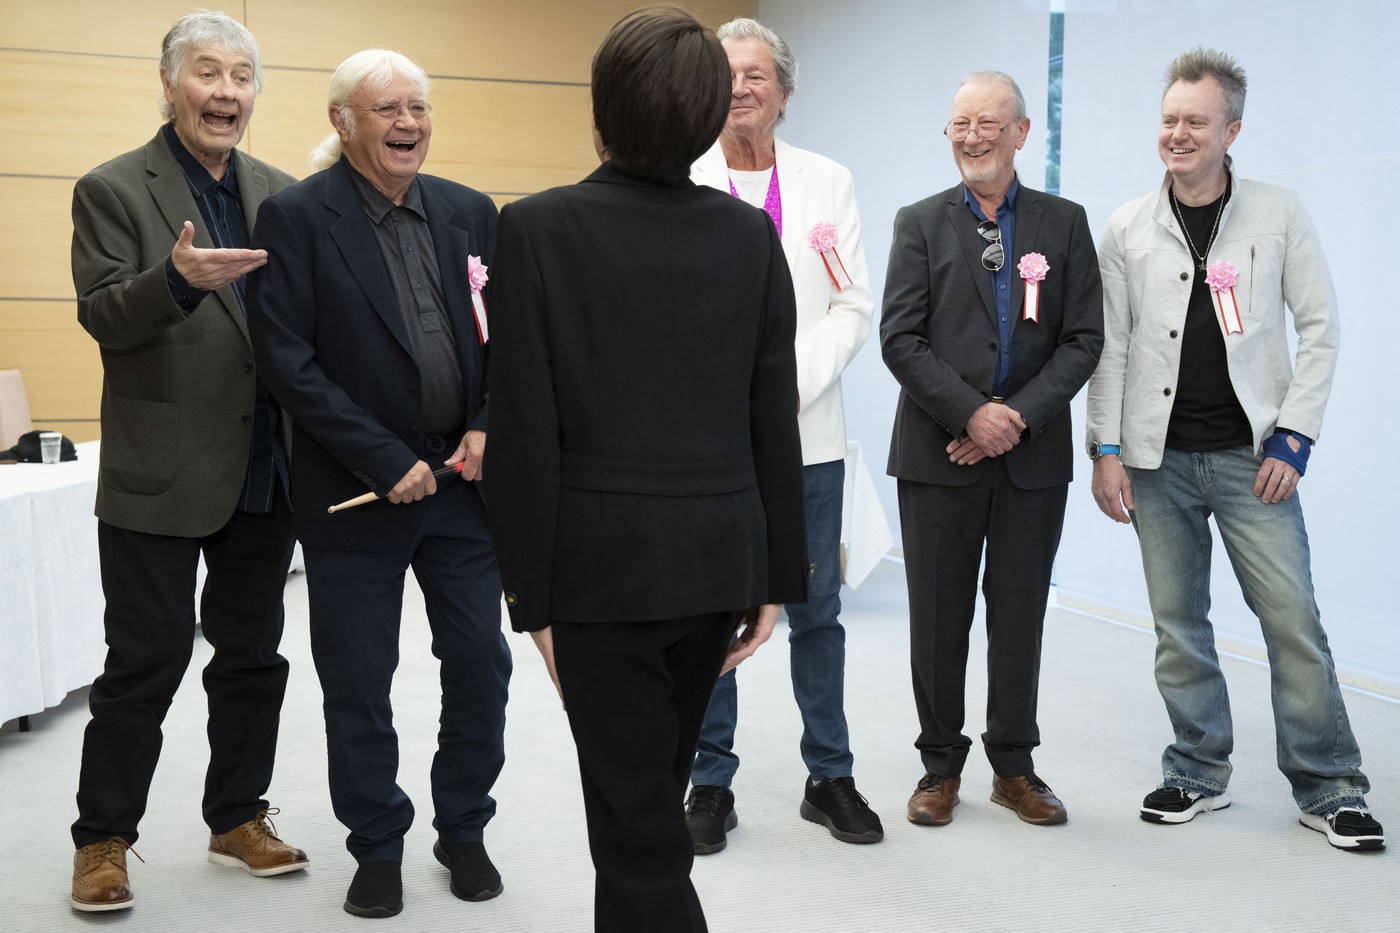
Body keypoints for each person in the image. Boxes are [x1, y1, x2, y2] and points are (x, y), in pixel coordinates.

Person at [483, 9, 807, 930]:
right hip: (715, 558)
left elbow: (523, 430)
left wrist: (529, 598)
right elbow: (771, 417)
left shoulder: (536, 229)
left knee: (634, 825)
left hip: (597, 570)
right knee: (647, 796)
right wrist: (776, 573)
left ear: (599, 112)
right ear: (708, 119)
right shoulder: (750, 237)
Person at [1086, 48, 1384, 851]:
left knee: (1293, 621)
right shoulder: (1126, 227)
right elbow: (1111, 345)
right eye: (1169, 120)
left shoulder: (1279, 213)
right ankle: (1196, 768)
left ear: (1232, 130)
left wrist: (1296, 436)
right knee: (1178, 624)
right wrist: (1105, 447)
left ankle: (1330, 784)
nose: (1178, 134)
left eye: (1196, 121)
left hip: (1255, 460)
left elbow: (1321, 327)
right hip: (1155, 462)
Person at [245, 49, 512, 917]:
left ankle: (463, 826)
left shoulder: (471, 213)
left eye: (419, 107)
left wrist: (487, 420)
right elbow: (288, 360)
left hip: (462, 484)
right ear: (342, 121)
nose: (409, 123)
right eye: (388, 108)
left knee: (480, 661)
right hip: (354, 492)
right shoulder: (295, 217)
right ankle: (377, 842)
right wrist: (382, 458)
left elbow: (510, 335)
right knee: (358, 679)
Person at [67, 10, 307, 913]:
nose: (226, 92)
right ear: (170, 83)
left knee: (251, 658)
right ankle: (102, 839)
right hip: (158, 471)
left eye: (242, 77)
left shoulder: (282, 194)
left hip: (262, 466)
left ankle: (237, 814)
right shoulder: (111, 188)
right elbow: (102, 313)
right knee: (146, 660)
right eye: (208, 73)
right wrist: (175, 280)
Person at [880, 71, 1103, 829]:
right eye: (959, 124)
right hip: (937, 452)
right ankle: (939, 765)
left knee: (1019, 614)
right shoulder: (919, 222)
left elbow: (1083, 339)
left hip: (1031, 458)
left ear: (1022, 132)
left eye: (987, 123)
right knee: (937, 615)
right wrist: (972, 414)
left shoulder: (1063, 223)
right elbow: (900, 338)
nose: (971, 137)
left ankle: (1014, 766)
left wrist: (1014, 419)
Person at [686, 16, 880, 853]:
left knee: (817, 611)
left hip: (808, 433)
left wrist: (785, 387)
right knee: (710, 609)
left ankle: (829, 773)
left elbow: (853, 304)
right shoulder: (682, 176)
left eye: (756, 74)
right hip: (709, 439)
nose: (740, 88)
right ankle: (709, 778)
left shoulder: (827, 181)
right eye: (725, 74)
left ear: (785, 93)